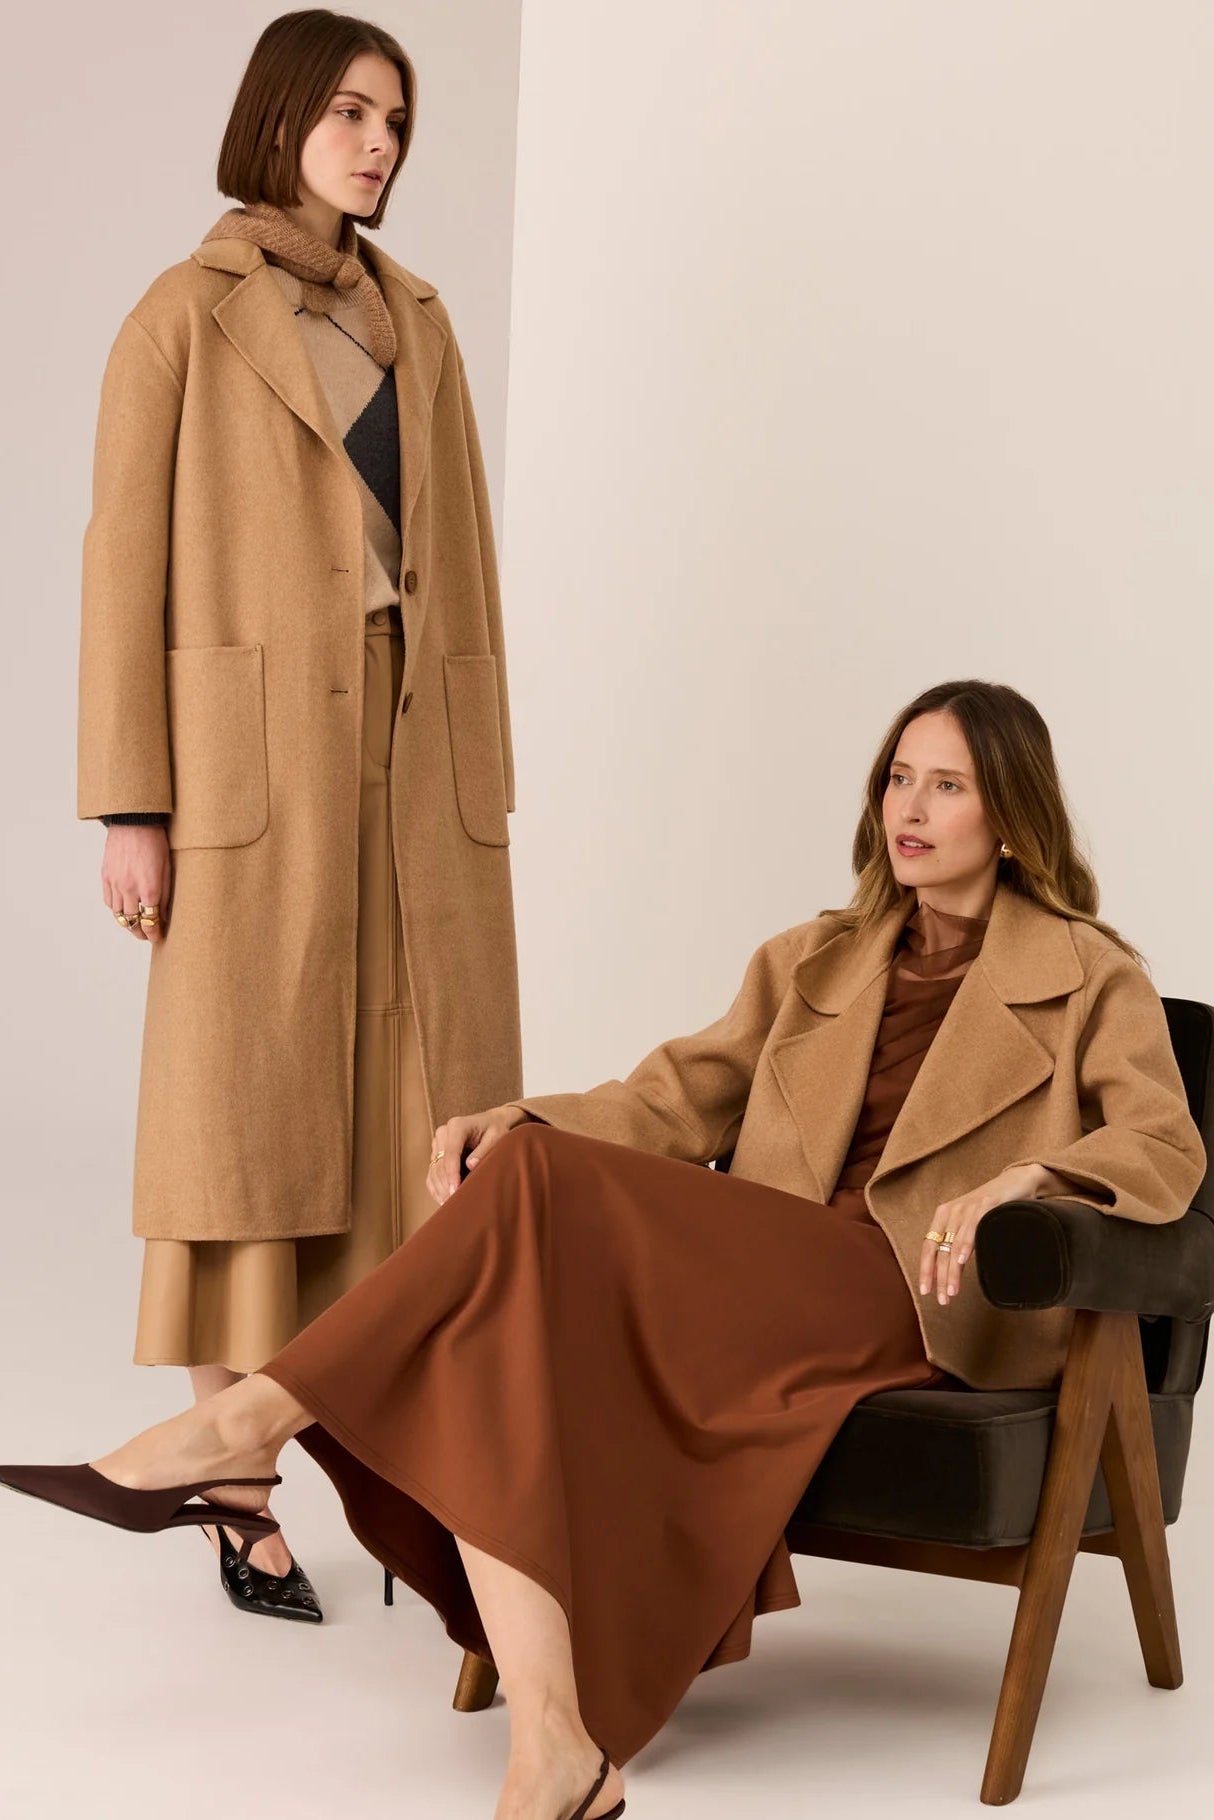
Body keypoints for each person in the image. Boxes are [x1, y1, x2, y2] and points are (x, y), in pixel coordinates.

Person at [8, 680, 1202, 1819]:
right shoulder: (815, 955)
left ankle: (240, 1426)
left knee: (521, 1210)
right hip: (763, 1277)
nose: (908, 807)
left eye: (946, 784)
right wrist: (522, 1114)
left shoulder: (1089, 973)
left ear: (1010, 813)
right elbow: (670, 1101)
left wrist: (1031, 1172)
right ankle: (556, 1751)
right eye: (898, 776)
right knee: (501, 1299)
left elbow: (1164, 1145)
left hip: (906, 1298)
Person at [75, 10, 522, 1618]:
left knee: (430, 1119)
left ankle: (434, 1477)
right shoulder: (181, 321)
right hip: (251, 773)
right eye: (347, 110)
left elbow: (457, 554)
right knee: (244, 1114)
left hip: (414, 748)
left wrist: (479, 744)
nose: (378, 141)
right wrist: (135, 805)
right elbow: (123, 570)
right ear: (278, 118)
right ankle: (235, 1468)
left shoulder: (424, 322)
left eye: (394, 117)